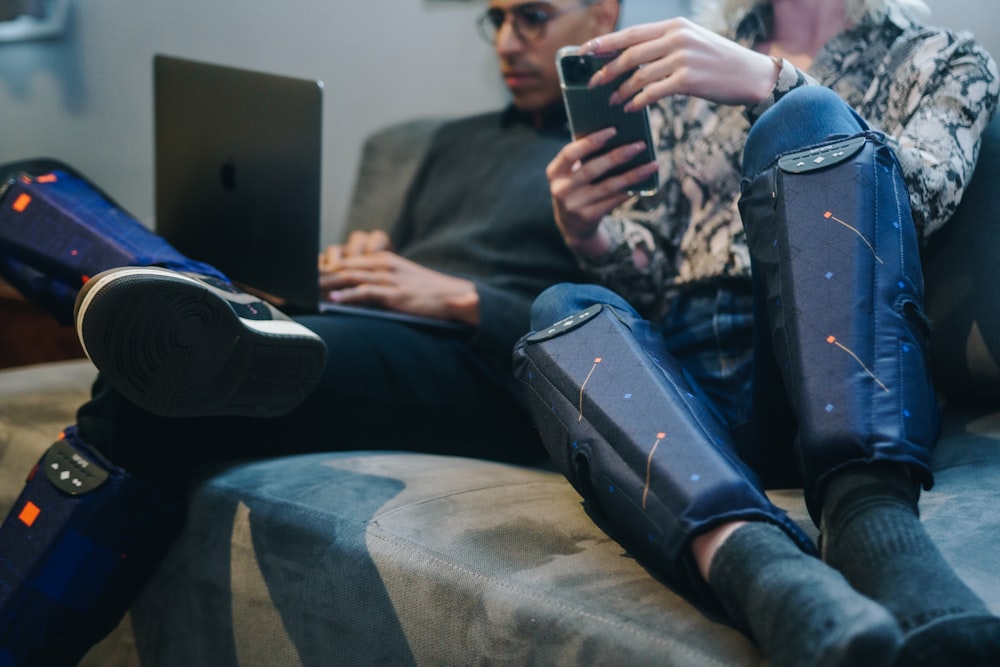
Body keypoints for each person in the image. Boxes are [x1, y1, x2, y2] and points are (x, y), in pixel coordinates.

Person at [0, 1, 623, 663]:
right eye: (493, 19)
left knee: (172, 369)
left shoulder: (626, 152)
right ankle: (194, 288)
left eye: (531, 16)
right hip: (377, 327)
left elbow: (631, 323)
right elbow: (408, 259)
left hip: (487, 365)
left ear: (603, 14)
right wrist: (354, 266)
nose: (506, 41)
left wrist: (461, 297)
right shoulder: (458, 139)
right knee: (26, 185)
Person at [512, 0, 1000, 665]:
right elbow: (653, 268)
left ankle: (871, 521)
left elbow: (926, 197)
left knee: (806, 119)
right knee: (561, 307)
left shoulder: (939, 56)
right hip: (690, 386)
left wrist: (775, 86)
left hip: (827, 353)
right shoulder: (681, 58)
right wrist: (590, 233)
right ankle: (769, 575)